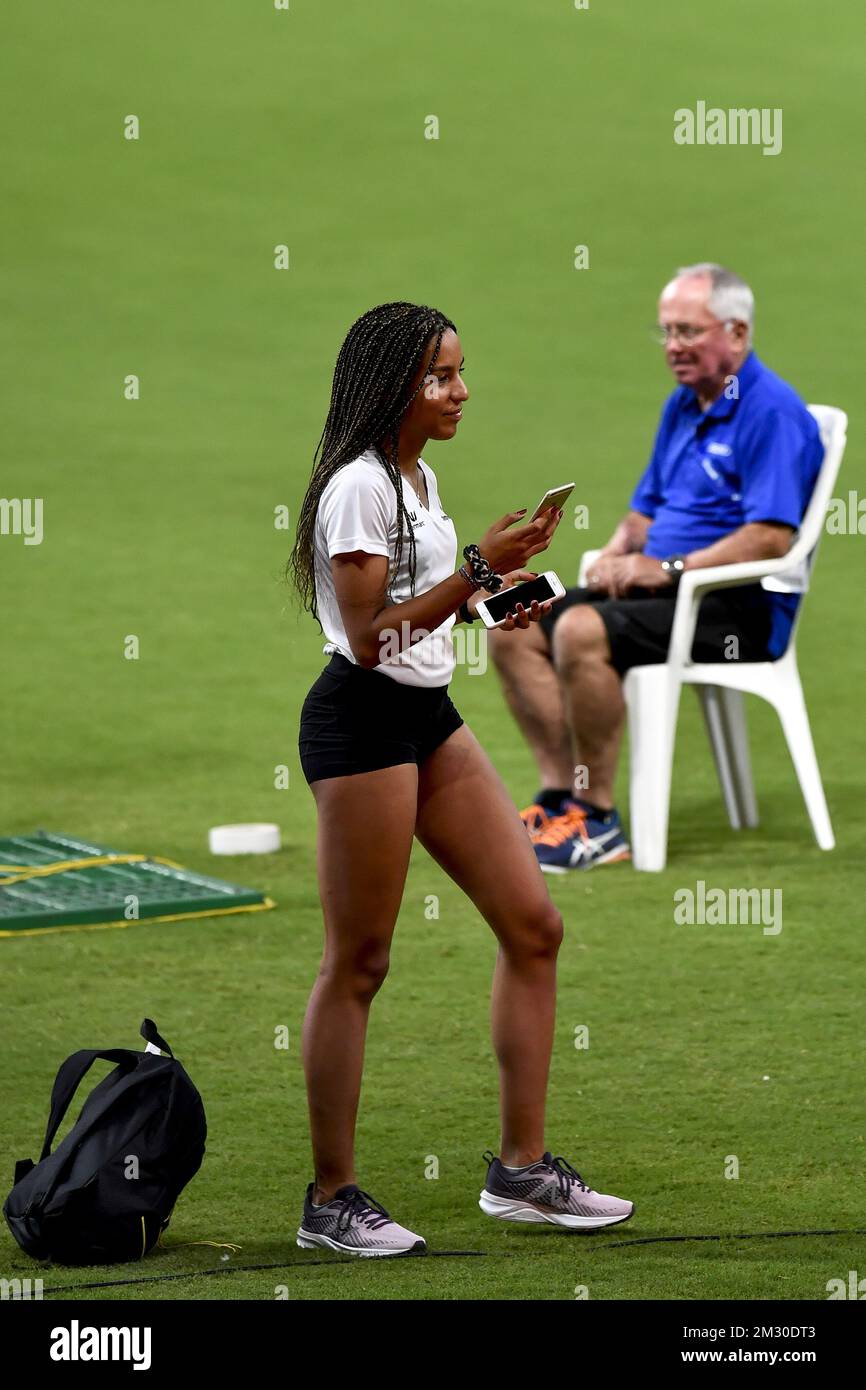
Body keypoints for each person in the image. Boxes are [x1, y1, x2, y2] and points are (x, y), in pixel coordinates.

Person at [289, 301, 634, 1255]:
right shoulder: (358, 488)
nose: (460, 391)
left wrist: (491, 600)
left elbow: (419, 613)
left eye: (461, 372)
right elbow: (368, 640)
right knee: (359, 963)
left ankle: (522, 1174)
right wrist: (480, 564)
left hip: (427, 718)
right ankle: (332, 1199)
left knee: (535, 923)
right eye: (442, 377)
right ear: (394, 385)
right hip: (362, 726)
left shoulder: (418, 477)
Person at [489, 264, 824, 873]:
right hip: (666, 593)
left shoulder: (770, 412)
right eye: (666, 332)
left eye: (689, 332)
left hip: (736, 608)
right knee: (513, 621)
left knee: (580, 631)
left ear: (738, 332)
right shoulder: (685, 404)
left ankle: (599, 819)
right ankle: (559, 798)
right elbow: (644, 511)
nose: (673, 347)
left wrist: (668, 568)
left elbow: (772, 539)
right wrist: (620, 552)